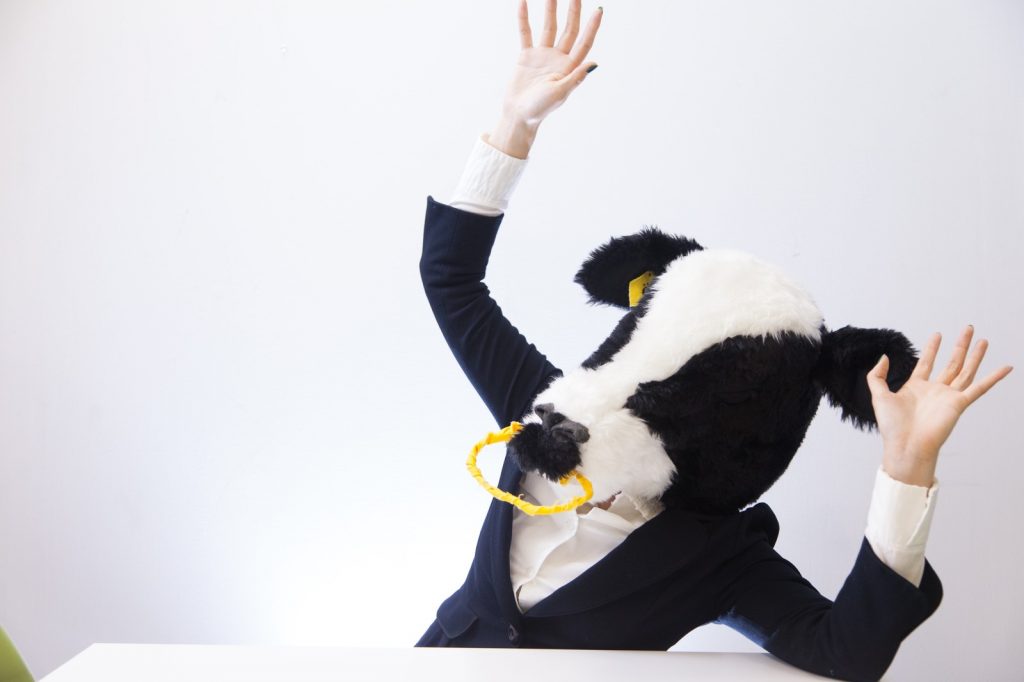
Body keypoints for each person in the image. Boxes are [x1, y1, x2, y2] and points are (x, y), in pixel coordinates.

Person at [416, 2, 1013, 680]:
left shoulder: (716, 555)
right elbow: (450, 278)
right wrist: (514, 124)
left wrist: (908, 468)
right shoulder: (543, 406)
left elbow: (845, 651)